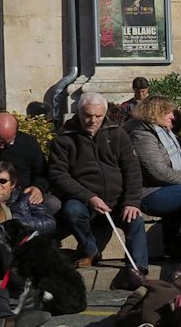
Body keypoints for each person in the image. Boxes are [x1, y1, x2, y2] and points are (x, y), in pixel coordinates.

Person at [47, 92, 147, 283]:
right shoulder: (65, 139)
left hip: (117, 199)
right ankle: (91, 250)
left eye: (98, 116)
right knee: (72, 210)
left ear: (105, 114)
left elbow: (132, 170)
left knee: (135, 219)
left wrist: (132, 202)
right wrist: (88, 197)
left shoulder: (118, 134)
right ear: (79, 113)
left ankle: (137, 268)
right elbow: (59, 175)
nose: (93, 120)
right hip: (84, 199)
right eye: (88, 115)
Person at [126, 97, 181, 221]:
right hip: (151, 192)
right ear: (154, 113)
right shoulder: (142, 135)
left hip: (172, 186)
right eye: (168, 112)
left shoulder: (166, 134)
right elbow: (158, 172)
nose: (173, 117)